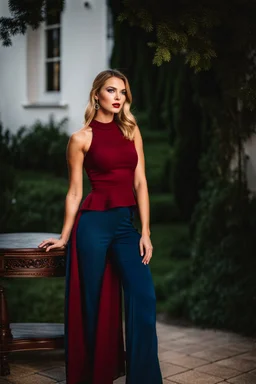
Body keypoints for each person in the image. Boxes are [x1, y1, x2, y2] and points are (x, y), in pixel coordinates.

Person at [38, 69, 163, 384]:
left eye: (123, 91)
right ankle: (93, 376)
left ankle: (145, 379)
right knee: (92, 303)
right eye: (111, 90)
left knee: (144, 295)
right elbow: (75, 192)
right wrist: (65, 236)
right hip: (92, 227)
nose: (118, 97)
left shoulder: (131, 131)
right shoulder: (80, 138)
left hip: (125, 227)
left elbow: (140, 181)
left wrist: (145, 231)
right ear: (97, 95)